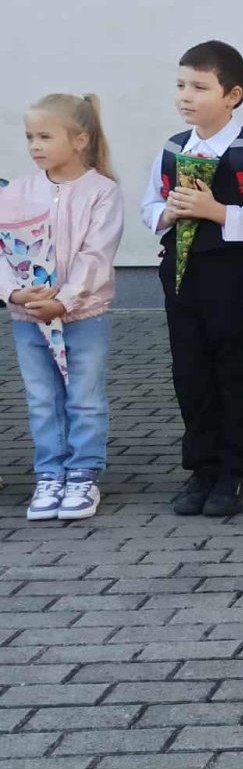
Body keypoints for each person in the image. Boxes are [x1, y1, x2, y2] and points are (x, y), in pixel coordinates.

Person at [141, 41, 243, 517]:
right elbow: (149, 206)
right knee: (190, 371)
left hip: (231, 273)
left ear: (232, 96)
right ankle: (202, 468)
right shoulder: (173, 148)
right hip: (180, 274)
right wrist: (167, 213)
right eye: (181, 85)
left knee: (231, 368)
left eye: (200, 87)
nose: (186, 96)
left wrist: (215, 210)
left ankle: (235, 470)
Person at [1, 95, 124, 521]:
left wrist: (64, 300)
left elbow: (96, 255)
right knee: (42, 398)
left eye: (45, 136)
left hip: (82, 317)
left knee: (84, 398)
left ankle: (83, 474)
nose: (34, 145)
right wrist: (13, 294)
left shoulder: (102, 192)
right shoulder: (16, 192)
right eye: (29, 137)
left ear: (80, 140)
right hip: (28, 318)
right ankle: (50, 474)